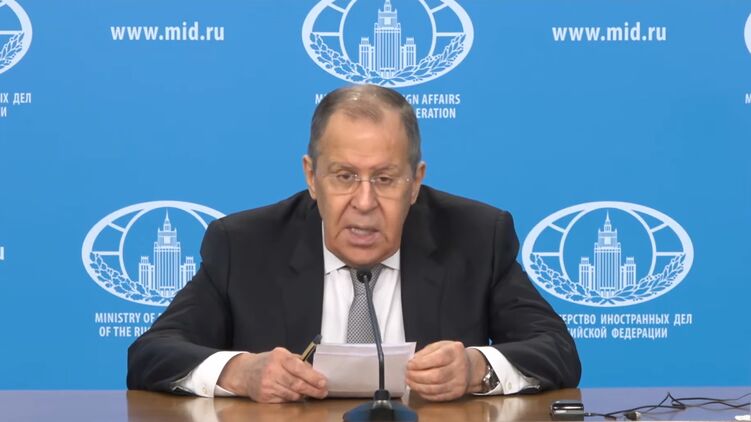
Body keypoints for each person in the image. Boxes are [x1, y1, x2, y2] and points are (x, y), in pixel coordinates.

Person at [127, 84, 581, 403]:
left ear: (415, 182)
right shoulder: (244, 245)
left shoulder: (476, 236)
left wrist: (476, 368)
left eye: (384, 179)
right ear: (311, 176)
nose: (364, 203)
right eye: (344, 176)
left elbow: (557, 350)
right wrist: (240, 372)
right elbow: (151, 354)